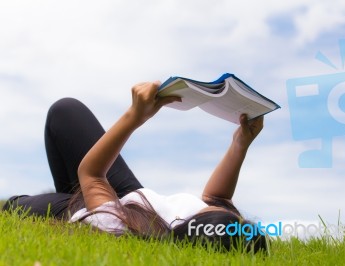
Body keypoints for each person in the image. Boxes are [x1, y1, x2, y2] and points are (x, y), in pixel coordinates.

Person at [2, 81, 269, 252]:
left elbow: (91, 174)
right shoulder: (212, 223)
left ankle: (81, 203)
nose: (229, 210)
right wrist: (241, 143)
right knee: (65, 110)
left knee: (14, 206)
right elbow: (218, 198)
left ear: (194, 222)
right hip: (134, 196)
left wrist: (135, 116)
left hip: (111, 207)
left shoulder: (115, 225)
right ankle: (87, 196)